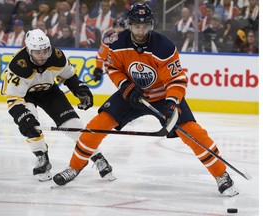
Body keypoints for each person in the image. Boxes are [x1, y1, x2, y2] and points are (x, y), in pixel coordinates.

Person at [52, 3, 239, 197]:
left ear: (151, 25)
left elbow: (177, 80)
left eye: (145, 26)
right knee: (96, 125)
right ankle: (74, 168)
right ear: (129, 25)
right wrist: (125, 85)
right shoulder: (117, 42)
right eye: (136, 26)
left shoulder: (164, 46)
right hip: (131, 95)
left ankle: (221, 174)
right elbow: (113, 68)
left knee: (193, 132)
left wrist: (172, 102)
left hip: (163, 96)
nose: (141, 31)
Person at [0, 29, 105, 182]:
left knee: (74, 125)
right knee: (30, 126)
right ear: (29, 50)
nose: (42, 55)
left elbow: (69, 76)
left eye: (45, 50)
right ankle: (41, 156)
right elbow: (13, 98)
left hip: (50, 92)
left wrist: (81, 90)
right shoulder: (18, 65)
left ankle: (98, 156)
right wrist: (22, 117)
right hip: (26, 95)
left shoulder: (57, 57)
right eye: (37, 52)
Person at [92, 16, 126, 82]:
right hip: (114, 71)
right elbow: (100, 56)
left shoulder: (130, 39)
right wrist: (98, 70)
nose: (119, 29)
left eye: (121, 27)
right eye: (117, 27)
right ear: (113, 28)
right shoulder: (107, 40)